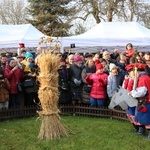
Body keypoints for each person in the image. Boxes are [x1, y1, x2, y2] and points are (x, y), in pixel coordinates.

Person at [129, 63, 150, 139]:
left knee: (147, 118)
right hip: (144, 101)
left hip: (146, 101)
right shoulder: (143, 77)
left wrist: (133, 94)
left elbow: (142, 91)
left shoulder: (143, 78)